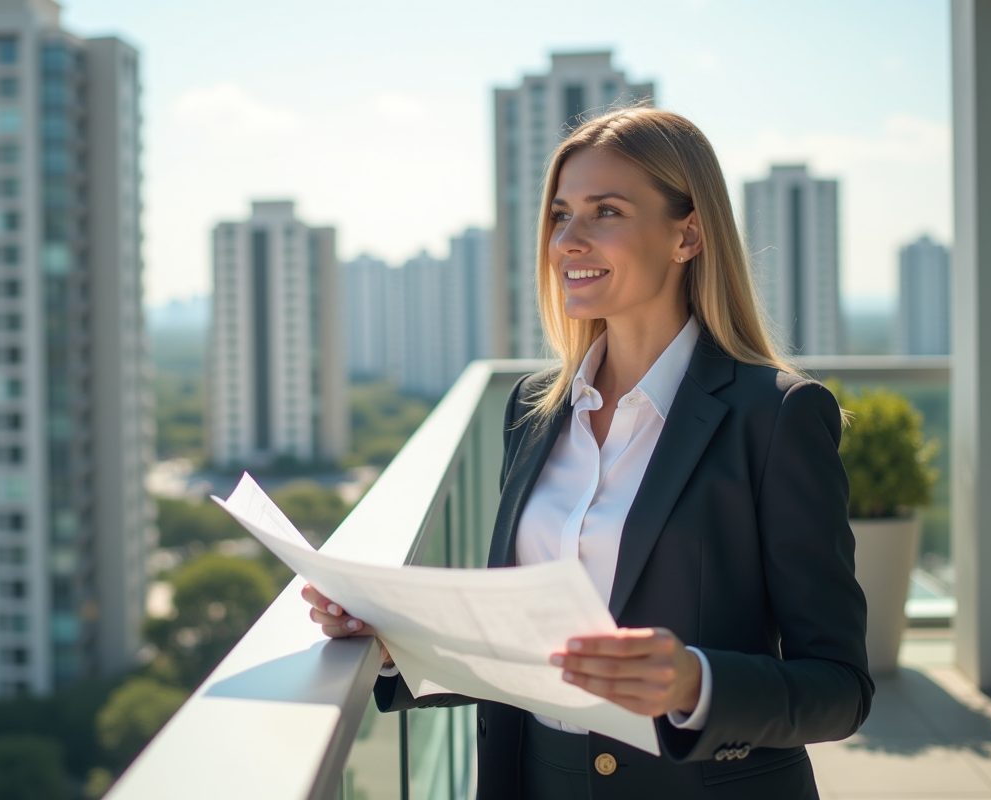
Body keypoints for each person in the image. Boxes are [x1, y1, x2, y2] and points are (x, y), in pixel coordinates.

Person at [303, 106, 873, 799]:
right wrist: (397, 641)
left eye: (605, 211)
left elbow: (840, 688)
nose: (567, 241)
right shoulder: (534, 409)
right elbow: (522, 652)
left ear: (687, 234)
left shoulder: (776, 415)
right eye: (560, 214)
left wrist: (696, 681)